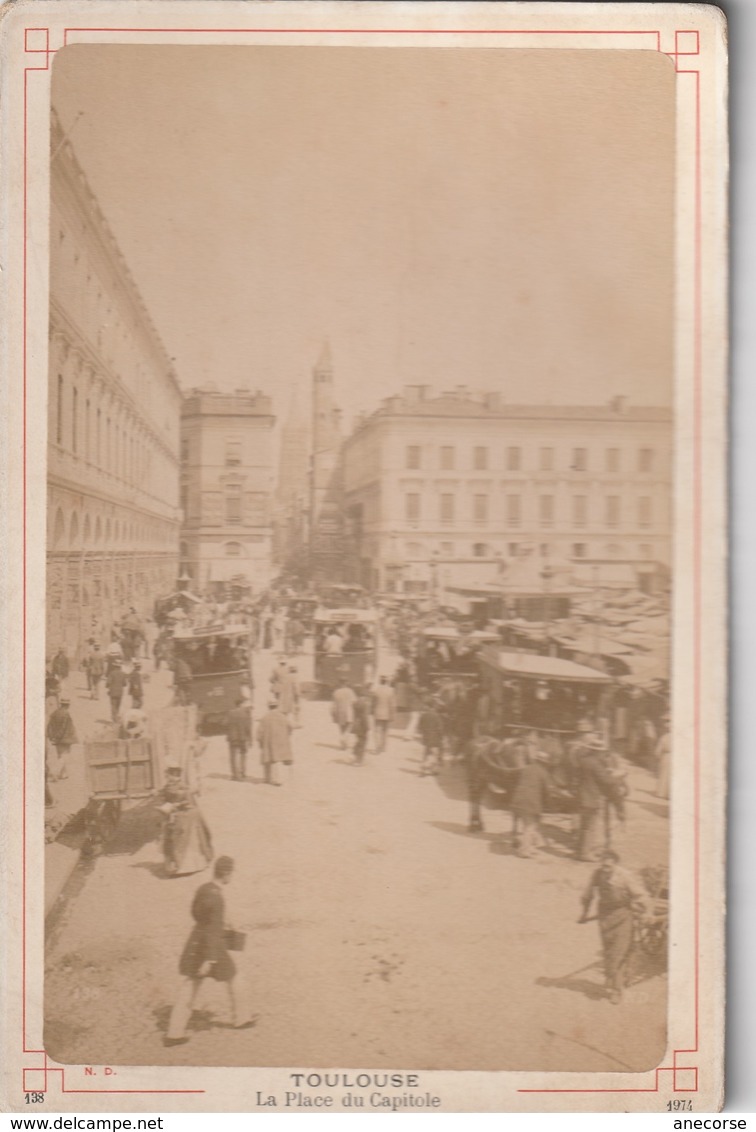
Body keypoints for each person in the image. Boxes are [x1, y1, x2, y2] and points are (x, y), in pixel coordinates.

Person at [165, 856, 252, 1045]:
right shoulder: (218, 897)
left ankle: (174, 1032)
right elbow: (213, 932)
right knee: (235, 978)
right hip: (212, 949)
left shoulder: (204, 889)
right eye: (232, 873)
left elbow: (198, 915)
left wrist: (222, 923)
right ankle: (242, 1018)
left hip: (196, 943)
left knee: (190, 986)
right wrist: (210, 960)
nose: (232, 876)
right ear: (227, 873)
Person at [579, 849, 649, 1003]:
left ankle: (617, 990)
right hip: (604, 916)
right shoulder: (597, 874)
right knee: (609, 950)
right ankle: (613, 978)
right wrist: (584, 914)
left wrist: (643, 912)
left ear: (615, 865)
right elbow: (587, 895)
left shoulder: (624, 876)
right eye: (603, 866)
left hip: (623, 916)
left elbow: (642, 895)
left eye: (609, 867)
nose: (605, 869)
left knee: (618, 953)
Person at [156, 763, 214, 877]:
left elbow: (185, 803)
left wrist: (173, 806)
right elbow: (164, 794)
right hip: (182, 814)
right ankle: (188, 864)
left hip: (185, 816)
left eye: (170, 775)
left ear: (174, 775)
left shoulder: (179, 788)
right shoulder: (173, 786)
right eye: (169, 775)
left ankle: (181, 866)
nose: (168, 777)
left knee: (178, 836)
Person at [574, 734, 614, 861]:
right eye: (602, 752)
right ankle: (586, 854)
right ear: (597, 752)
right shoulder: (596, 764)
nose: (602, 754)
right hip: (591, 798)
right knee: (590, 827)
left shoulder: (583, 760)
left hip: (581, 796)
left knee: (584, 826)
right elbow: (605, 780)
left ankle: (580, 851)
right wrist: (616, 776)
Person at [510, 750, 552, 858]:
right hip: (530, 803)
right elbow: (547, 790)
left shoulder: (526, 768)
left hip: (518, 800)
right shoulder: (543, 772)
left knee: (530, 825)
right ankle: (524, 851)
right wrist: (549, 803)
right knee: (530, 826)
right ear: (544, 763)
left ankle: (530, 847)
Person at [257, 699, 293, 786]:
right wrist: (286, 735)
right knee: (279, 760)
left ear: (268, 707)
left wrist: (261, 742)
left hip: (269, 742)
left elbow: (259, 732)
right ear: (277, 706)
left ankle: (268, 779)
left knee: (268, 760)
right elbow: (290, 727)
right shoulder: (283, 716)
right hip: (281, 742)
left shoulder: (265, 718)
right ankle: (279, 780)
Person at [46, 696, 77, 780]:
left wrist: (51, 736)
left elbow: (49, 726)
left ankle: (63, 774)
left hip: (57, 739)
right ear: (68, 705)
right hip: (65, 739)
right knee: (65, 757)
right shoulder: (66, 714)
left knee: (60, 755)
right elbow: (63, 728)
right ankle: (54, 772)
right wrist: (58, 737)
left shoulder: (55, 713)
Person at [226, 697, 252, 781]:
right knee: (243, 755)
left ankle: (235, 775)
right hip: (243, 737)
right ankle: (243, 772)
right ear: (241, 704)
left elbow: (225, 723)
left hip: (233, 738)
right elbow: (248, 727)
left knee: (233, 756)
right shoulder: (246, 713)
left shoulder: (230, 713)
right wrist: (250, 739)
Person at [418, 698, 445, 776]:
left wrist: (423, 734)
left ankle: (426, 770)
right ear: (434, 706)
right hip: (435, 737)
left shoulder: (423, 715)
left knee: (426, 753)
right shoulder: (436, 716)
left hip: (426, 737)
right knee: (435, 754)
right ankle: (427, 768)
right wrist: (441, 737)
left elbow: (420, 727)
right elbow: (440, 728)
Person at [371, 676, 396, 755]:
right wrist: (392, 715)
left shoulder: (376, 690)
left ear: (380, 681)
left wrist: (372, 711)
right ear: (387, 682)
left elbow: (373, 703)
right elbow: (393, 704)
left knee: (377, 731)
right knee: (385, 731)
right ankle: (383, 747)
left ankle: (377, 747)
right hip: (387, 714)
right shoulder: (391, 690)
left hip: (378, 714)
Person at [331, 680, 356, 749]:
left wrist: (333, 714)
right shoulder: (350, 691)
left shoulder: (336, 692)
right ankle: (344, 738)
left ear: (340, 684)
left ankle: (343, 746)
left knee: (341, 729)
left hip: (339, 712)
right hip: (348, 712)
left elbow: (334, 704)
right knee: (349, 727)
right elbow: (354, 702)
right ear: (346, 683)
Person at [351, 687, 371, 766]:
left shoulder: (355, 703)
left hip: (356, 724)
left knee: (359, 740)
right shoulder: (365, 704)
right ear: (364, 695)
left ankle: (354, 754)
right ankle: (358, 760)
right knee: (363, 742)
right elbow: (364, 716)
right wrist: (367, 726)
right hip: (362, 725)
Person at [655, 715, 671, 799]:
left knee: (664, 774)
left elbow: (658, 750)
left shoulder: (664, 737)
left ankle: (661, 792)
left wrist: (657, 757)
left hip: (666, 756)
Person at [106, 659, 127, 723]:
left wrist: (107, 686)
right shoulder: (123, 673)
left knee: (113, 705)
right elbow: (125, 684)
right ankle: (116, 718)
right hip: (120, 692)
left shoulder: (112, 673)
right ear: (120, 666)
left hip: (112, 692)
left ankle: (114, 718)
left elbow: (108, 682)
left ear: (114, 666)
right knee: (118, 705)